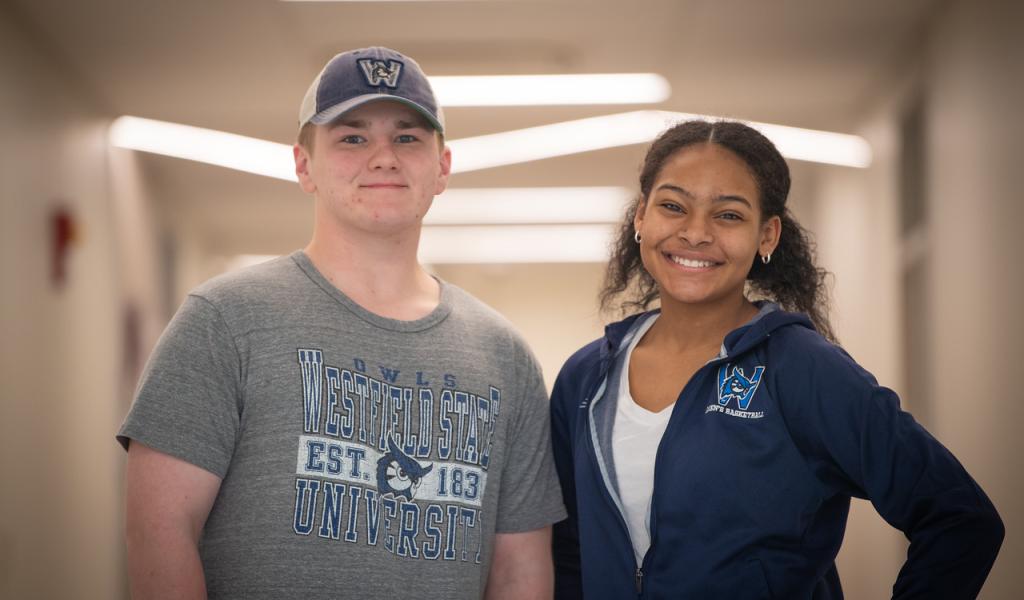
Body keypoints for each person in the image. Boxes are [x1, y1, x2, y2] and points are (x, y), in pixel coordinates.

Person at [118, 46, 565, 599]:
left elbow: (520, 570)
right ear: (305, 165)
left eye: (408, 137)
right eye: (352, 137)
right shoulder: (224, 321)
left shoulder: (503, 355)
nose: (383, 157)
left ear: (442, 167)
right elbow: (159, 534)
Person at [550, 120, 1003, 599]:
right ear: (641, 216)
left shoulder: (802, 369)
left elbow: (959, 518)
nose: (696, 232)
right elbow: (567, 552)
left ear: (767, 236)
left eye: (727, 215)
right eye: (672, 206)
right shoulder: (586, 379)